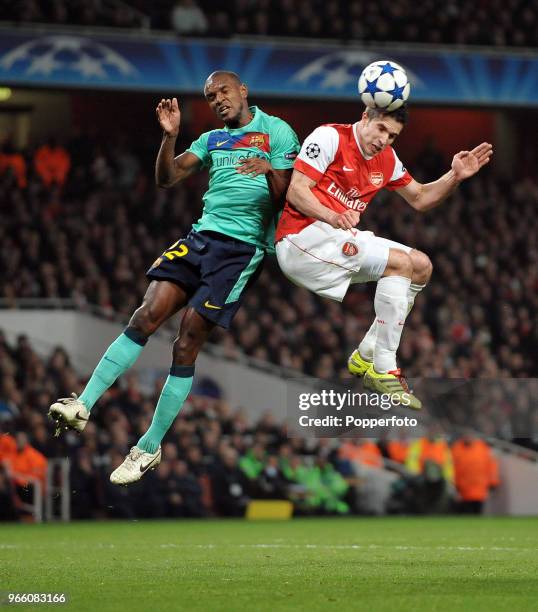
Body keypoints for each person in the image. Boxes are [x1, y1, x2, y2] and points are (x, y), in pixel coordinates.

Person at [49, 71, 299, 485]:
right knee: (144, 316)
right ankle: (83, 404)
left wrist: (270, 169)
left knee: (185, 344)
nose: (218, 99)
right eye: (210, 95)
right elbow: (166, 179)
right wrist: (170, 137)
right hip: (201, 237)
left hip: (241, 251)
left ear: (243, 91)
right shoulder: (210, 140)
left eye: (224, 91)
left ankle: (148, 446)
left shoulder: (276, 131)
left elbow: (290, 198)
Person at [275, 103, 493, 407]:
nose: (384, 140)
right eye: (381, 129)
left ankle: (365, 356)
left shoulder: (386, 160)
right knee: (400, 264)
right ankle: (384, 367)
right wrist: (332, 215)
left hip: (337, 238)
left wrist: (454, 176)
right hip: (302, 240)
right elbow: (297, 191)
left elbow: (420, 198)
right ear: (365, 117)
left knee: (421, 266)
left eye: (392, 136)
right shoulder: (329, 137)